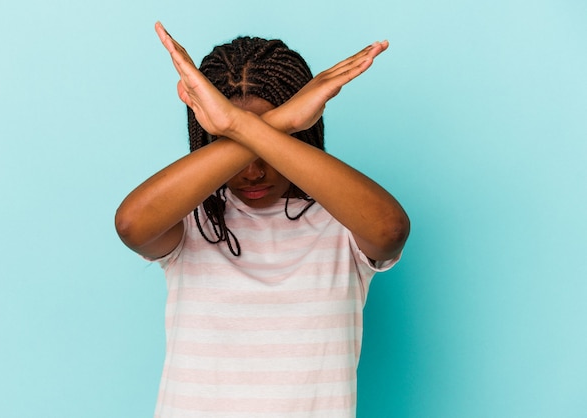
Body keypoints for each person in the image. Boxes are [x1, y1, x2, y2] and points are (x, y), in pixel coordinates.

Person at [115, 21, 410, 418]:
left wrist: (236, 126)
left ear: (304, 132)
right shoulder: (189, 217)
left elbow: (390, 229)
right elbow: (131, 224)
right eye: (229, 142)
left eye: (272, 143)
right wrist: (277, 123)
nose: (253, 172)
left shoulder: (342, 219)